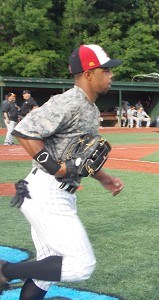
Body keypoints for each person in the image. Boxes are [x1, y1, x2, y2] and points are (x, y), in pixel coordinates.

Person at [0, 44, 124, 299]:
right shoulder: (70, 101)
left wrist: (103, 178)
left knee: (47, 269)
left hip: (53, 192)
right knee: (81, 264)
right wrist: (55, 168)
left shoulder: (90, 107)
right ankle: (6, 270)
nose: (111, 76)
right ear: (89, 73)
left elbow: (82, 156)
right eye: (106, 71)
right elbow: (24, 130)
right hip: (47, 192)